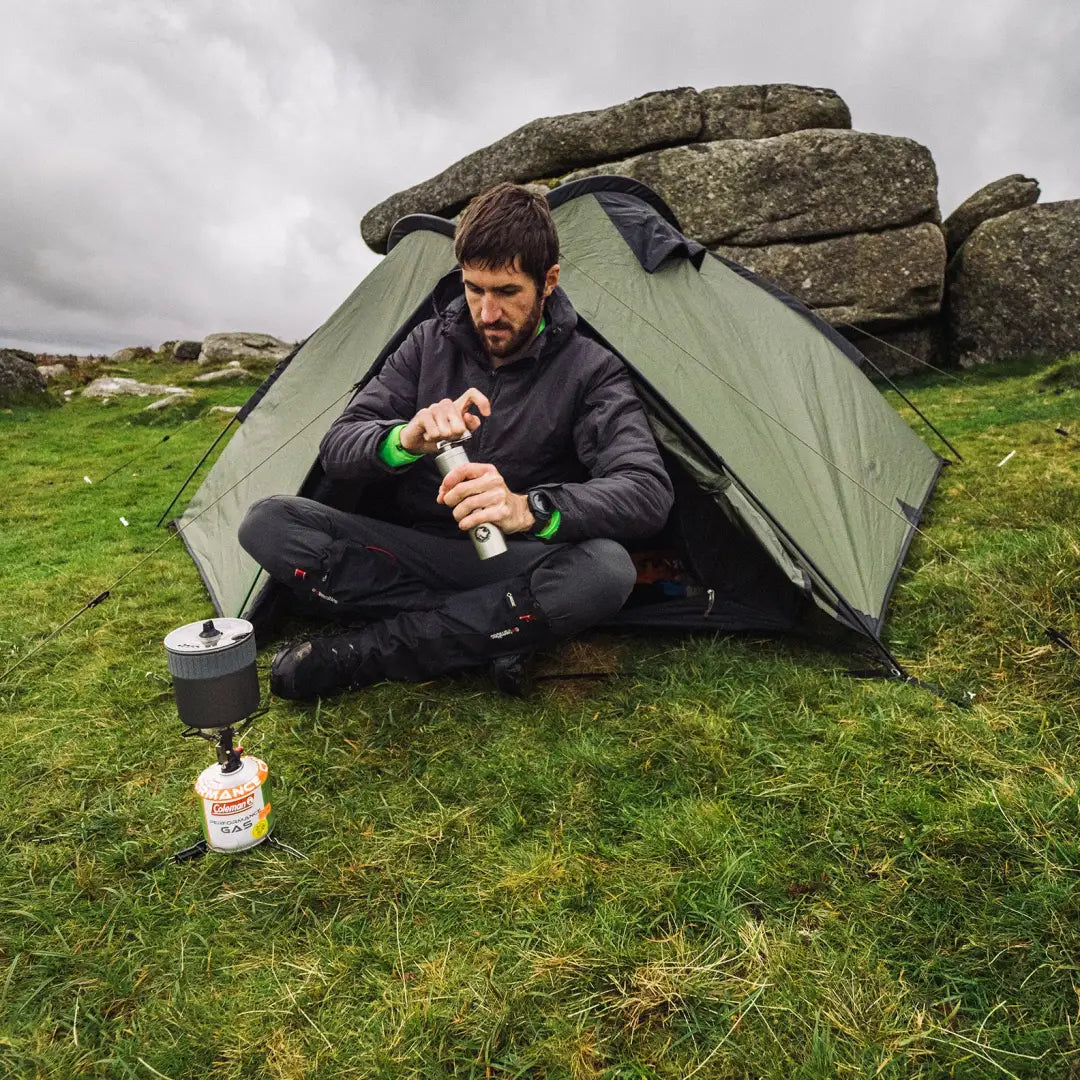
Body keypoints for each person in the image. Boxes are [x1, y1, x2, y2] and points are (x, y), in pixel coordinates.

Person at [238, 182, 673, 700]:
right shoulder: (426, 345)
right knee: (268, 522)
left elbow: (646, 490)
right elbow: (338, 447)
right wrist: (404, 438)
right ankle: (499, 630)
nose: (487, 313)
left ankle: (364, 653)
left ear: (549, 281)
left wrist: (528, 508)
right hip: (413, 551)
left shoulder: (590, 370)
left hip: (514, 558)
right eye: (474, 289)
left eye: (507, 292)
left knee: (604, 571)